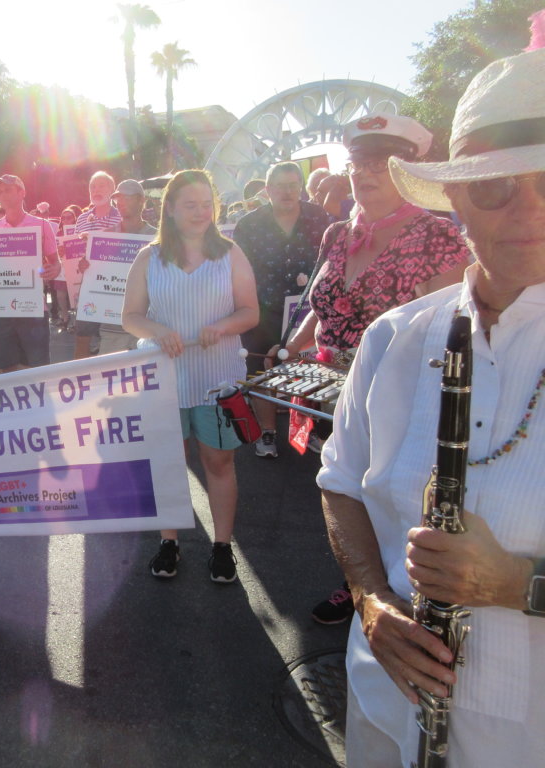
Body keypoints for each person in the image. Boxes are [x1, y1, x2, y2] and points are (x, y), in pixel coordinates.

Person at [318, 42, 545, 767]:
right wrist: (370, 602)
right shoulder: (396, 338)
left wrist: (516, 584)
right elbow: (340, 484)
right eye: (495, 187)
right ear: (456, 201)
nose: (529, 211)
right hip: (388, 717)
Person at [281, 114, 471, 625]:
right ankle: (358, 580)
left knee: (381, 490)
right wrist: (290, 347)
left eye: (382, 166)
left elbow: (451, 329)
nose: (365, 175)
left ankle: (382, 592)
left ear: (410, 171)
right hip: (325, 388)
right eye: (359, 163)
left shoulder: (438, 236)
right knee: (339, 486)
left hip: (396, 395)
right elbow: (323, 305)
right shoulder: (339, 233)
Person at [123, 169, 259, 582]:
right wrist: (158, 331)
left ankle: (222, 545)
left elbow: (250, 311)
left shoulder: (230, 253)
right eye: (190, 204)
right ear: (170, 208)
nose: (201, 212)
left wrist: (224, 326)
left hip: (216, 378)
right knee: (168, 461)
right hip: (162, 379)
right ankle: (169, 541)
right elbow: (130, 317)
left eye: (206, 204)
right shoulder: (149, 257)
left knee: (218, 461)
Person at [233, 161, 331, 458]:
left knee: (307, 369)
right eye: (281, 186)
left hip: (307, 309)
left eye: (293, 186)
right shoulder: (249, 225)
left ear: (300, 188)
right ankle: (266, 432)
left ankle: (306, 429)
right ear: (268, 189)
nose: (288, 192)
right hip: (262, 309)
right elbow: (237, 271)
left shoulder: (319, 217)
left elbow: (330, 261)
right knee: (262, 368)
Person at [0, 174, 61, 372]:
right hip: (1, 308)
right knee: (5, 370)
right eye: (0, 191)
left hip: (32, 307)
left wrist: (53, 269)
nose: (3, 194)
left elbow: (55, 263)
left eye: (8, 190)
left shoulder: (42, 225)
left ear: (22, 193)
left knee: (36, 371)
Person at [98, 179, 157, 355]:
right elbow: (94, 276)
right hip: (112, 326)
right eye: (118, 198)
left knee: (149, 380)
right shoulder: (105, 237)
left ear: (141, 200)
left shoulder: (157, 237)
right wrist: (87, 267)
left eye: (127, 197)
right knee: (111, 379)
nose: (120, 202)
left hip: (148, 325)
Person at [73, 171, 122, 359]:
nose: (96, 190)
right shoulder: (81, 220)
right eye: (92, 186)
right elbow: (75, 254)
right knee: (82, 337)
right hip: (87, 287)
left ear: (112, 190)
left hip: (113, 287)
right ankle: (81, 380)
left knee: (113, 341)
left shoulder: (120, 218)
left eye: (101, 185)